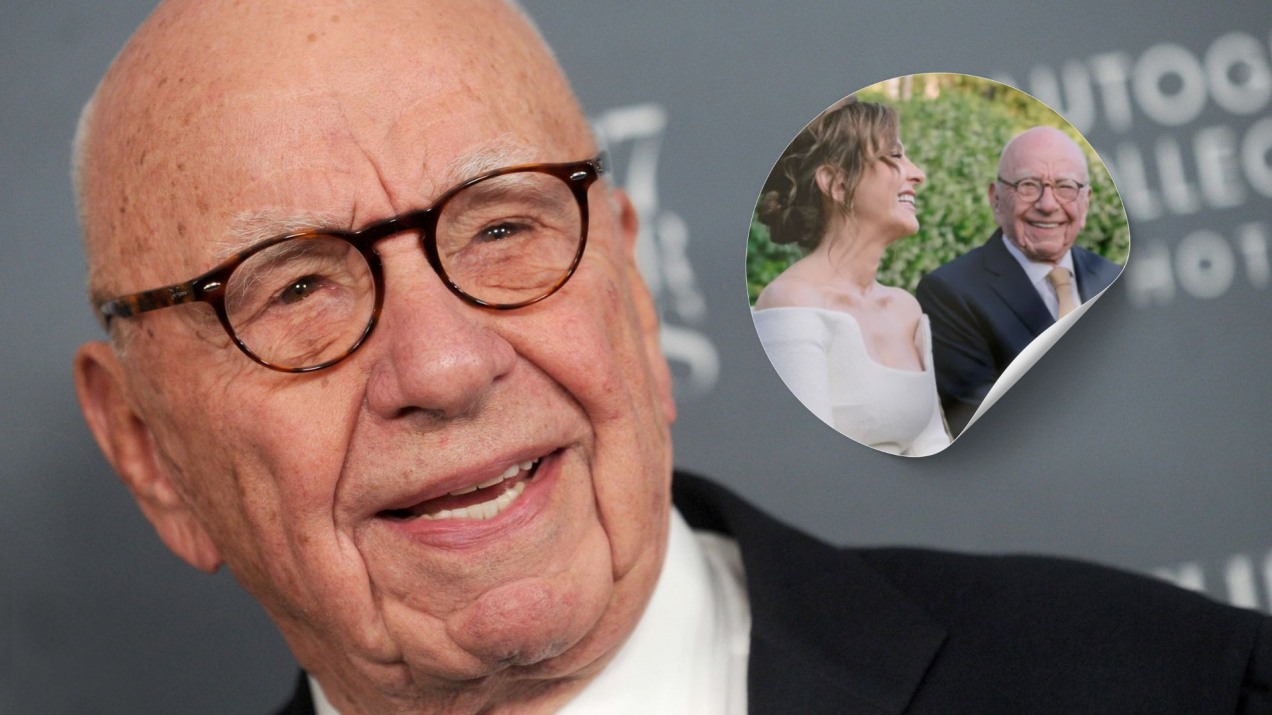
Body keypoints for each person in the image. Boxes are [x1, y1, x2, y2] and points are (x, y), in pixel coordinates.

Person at [71, 2, 1266, 713]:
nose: (443, 368)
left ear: (633, 297)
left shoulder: (1179, 685)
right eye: (294, 289)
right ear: (146, 451)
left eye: (502, 230)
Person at [752, 99, 949, 457]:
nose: (918, 174)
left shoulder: (906, 309)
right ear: (838, 183)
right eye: (895, 155)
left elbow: (933, 446)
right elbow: (809, 459)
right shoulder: (791, 302)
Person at [916, 127, 1123, 436]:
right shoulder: (950, 294)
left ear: (1085, 203)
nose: (1048, 204)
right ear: (997, 200)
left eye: (1065, 187)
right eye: (1028, 186)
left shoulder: (1115, 279)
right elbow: (986, 429)